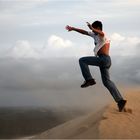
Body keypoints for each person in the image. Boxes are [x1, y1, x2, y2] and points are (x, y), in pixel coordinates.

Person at [65, 21, 127, 112]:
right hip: (105, 61)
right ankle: (120, 101)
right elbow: (84, 32)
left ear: (97, 28)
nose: (92, 31)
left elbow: (102, 33)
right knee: (107, 82)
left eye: (94, 29)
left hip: (104, 59)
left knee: (82, 60)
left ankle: (89, 80)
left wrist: (92, 28)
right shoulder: (94, 35)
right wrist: (73, 29)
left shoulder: (102, 36)